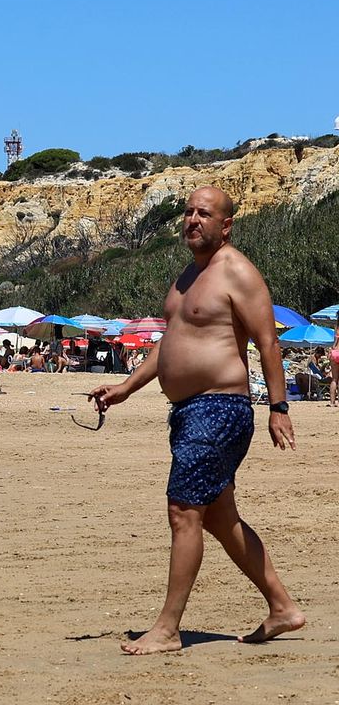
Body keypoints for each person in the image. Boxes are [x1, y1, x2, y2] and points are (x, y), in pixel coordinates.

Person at [88, 186, 304, 655]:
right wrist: (126, 386)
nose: (192, 220)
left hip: (219, 408)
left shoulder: (238, 272)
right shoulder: (188, 276)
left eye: (204, 214)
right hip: (187, 412)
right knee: (220, 518)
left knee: (184, 511)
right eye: (188, 212)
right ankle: (283, 608)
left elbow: (268, 341)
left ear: (225, 225)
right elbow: (170, 343)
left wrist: (279, 408)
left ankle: (167, 628)